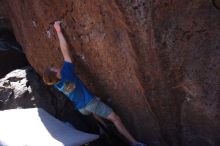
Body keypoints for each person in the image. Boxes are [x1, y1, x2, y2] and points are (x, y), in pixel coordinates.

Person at [43, 21, 146, 146]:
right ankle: (134, 143)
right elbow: (65, 50)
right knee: (116, 119)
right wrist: (58, 30)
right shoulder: (67, 73)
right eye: (54, 68)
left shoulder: (56, 84)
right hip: (90, 103)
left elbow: (53, 74)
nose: (56, 67)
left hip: (82, 109)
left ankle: (104, 129)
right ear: (56, 74)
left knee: (95, 112)